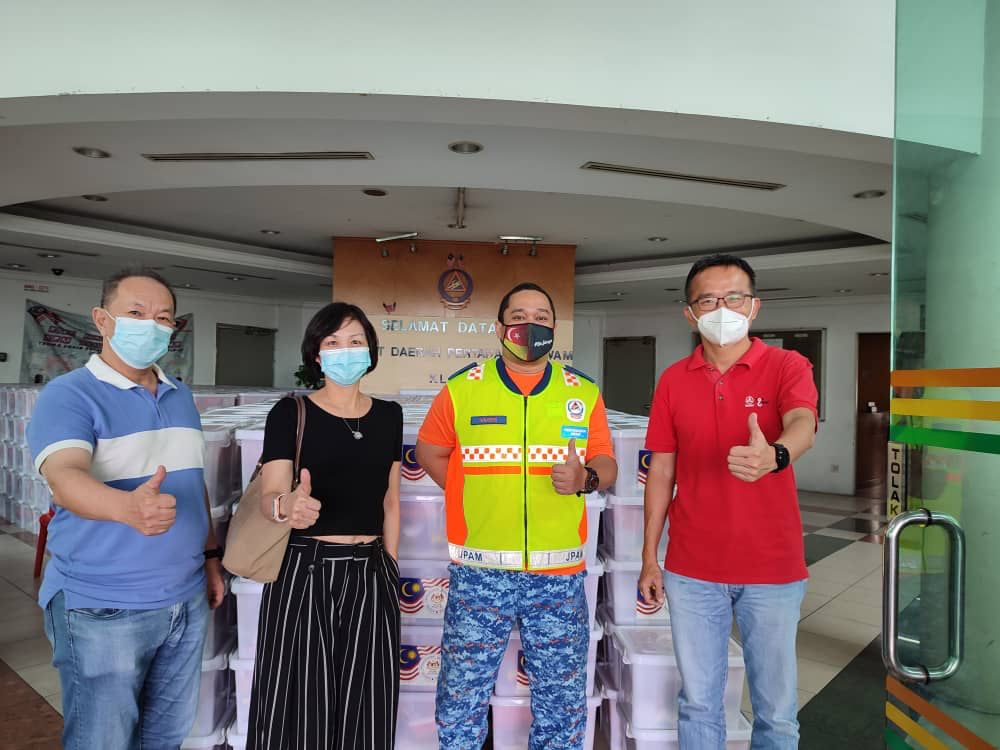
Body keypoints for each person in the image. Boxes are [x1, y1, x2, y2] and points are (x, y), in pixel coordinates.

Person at [26, 267, 226, 750]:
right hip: (103, 606)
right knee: (104, 740)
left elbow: (191, 483)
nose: (151, 326)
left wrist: (209, 557)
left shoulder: (180, 396)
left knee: (165, 737)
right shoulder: (68, 395)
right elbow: (64, 477)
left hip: (184, 600)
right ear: (103, 320)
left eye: (163, 317)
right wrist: (125, 507)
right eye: (136, 313)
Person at [416, 282, 618, 749]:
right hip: (479, 575)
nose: (531, 325)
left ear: (554, 328)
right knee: (461, 700)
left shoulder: (582, 392)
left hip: (557, 577)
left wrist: (586, 477)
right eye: (519, 316)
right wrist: (472, 494)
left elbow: (607, 462)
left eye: (542, 317)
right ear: (500, 327)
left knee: (562, 706)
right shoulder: (463, 389)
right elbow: (429, 451)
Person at [638, 254, 819, 749]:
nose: (722, 308)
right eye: (708, 300)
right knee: (699, 703)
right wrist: (650, 556)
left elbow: (803, 421)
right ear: (690, 313)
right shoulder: (673, 380)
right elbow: (661, 471)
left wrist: (776, 454)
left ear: (754, 306)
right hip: (692, 569)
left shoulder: (786, 365)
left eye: (734, 297)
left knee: (776, 712)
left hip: (773, 568)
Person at [247, 302, 402, 750]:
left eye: (355, 341)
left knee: (366, 700)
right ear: (317, 354)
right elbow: (270, 495)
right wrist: (288, 507)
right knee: (299, 704)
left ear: (370, 350)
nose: (345, 350)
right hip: (304, 570)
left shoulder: (389, 416)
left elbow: (391, 499)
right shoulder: (290, 413)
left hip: (371, 571)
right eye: (332, 342)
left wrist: (390, 567)